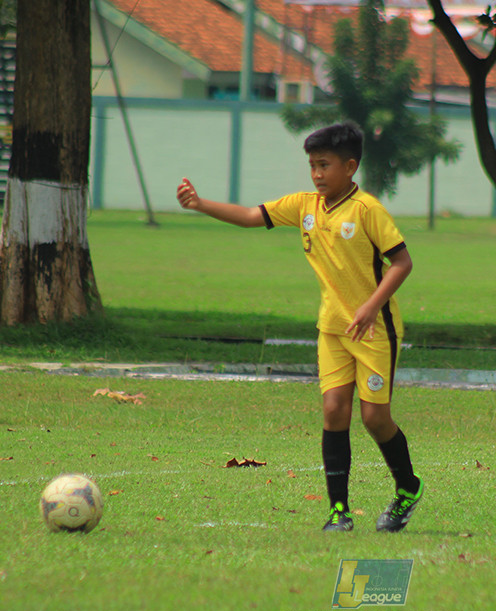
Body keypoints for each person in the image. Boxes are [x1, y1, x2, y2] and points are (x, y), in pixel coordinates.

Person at [176, 121, 423, 533]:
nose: (317, 174)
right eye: (312, 165)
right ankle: (338, 512)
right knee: (333, 410)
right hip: (333, 329)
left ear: (350, 166)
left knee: (375, 419)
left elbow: (402, 263)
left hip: (375, 330)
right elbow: (251, 216)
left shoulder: (367, 211)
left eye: (324, 165)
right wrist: (200, 205)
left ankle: (408, 488)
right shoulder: (305, 205)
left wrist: (369, 306)